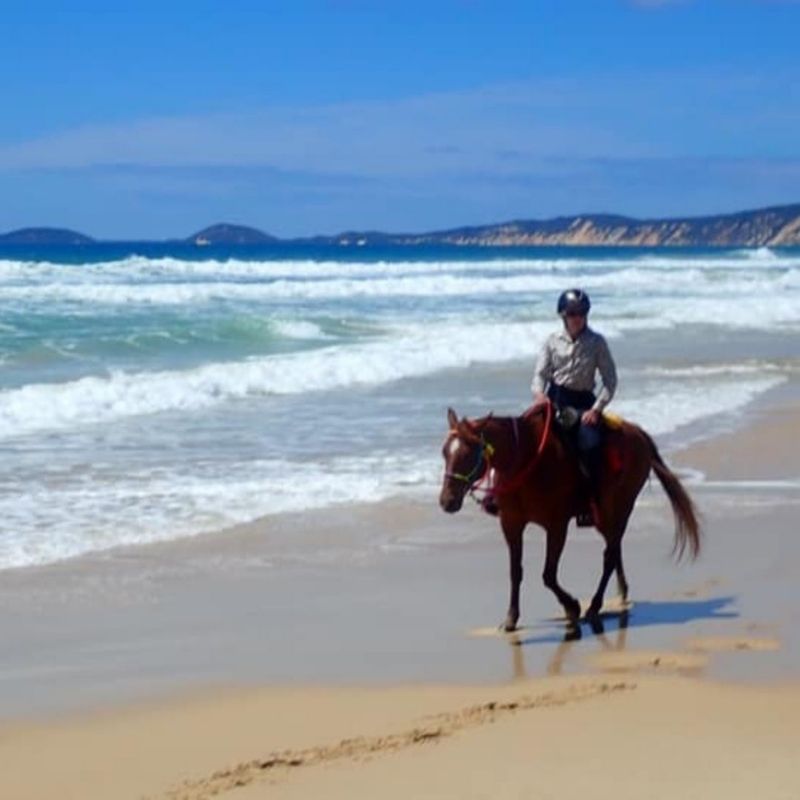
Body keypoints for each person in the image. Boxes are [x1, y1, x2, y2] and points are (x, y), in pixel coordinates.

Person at [531, 289, 618, 518]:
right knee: (524, 436)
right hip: (554, 399)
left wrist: (596, 409)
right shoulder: (551, 341)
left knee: (589, 441)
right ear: (563, 315)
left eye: (581, 313)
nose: (577, 317)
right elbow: (540, 374)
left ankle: (590, 501)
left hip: (582, 403)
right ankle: (506, 497)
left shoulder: (597, 342)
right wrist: (539, 394)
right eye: (572, 313)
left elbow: (610, 380)